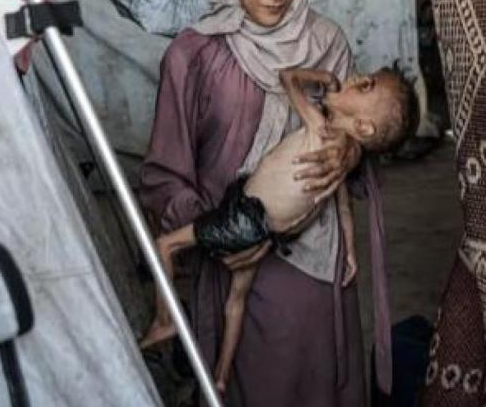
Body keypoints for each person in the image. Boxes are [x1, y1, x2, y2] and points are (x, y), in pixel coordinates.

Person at [139, 0, 394, 405]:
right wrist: (224, 233)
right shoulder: (194, 55)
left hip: (318, 264)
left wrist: (350, 154)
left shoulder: (327, 42)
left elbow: (360, 132)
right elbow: (162, 177)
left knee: (319, 379)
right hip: (237, 255)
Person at [141, 65, 418, 393]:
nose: (355, 77)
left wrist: (319, 78)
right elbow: (341, 202)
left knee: (164, 245)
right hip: (261, 225)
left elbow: (287, 77)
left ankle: (164, 322)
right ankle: (221, 376)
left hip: (245, 218)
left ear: (363, 126)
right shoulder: (338, 153)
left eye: (367, 86)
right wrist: (349, 245)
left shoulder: (323, 132)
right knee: (237, 300)